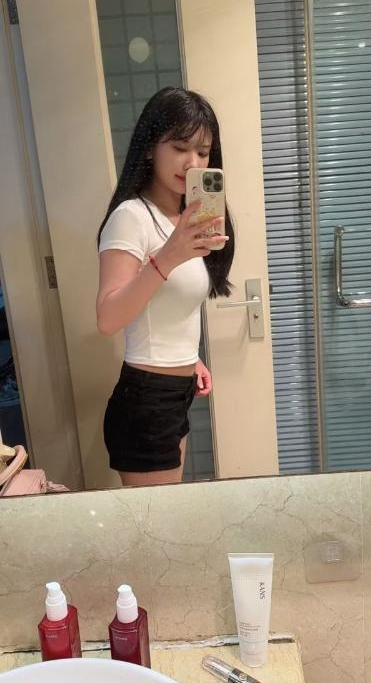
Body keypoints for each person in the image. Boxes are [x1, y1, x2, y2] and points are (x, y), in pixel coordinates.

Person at [96, 87, 235, 487]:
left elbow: (167, 307)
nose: (193, 163)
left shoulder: (182, 217)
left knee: (166, 513)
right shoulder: (131, 217)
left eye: (203, 152)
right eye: (179, 147)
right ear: (148, 148)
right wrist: (167, 257)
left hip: (175, 392)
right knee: (160, 522)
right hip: (147, 401)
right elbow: (108, 318)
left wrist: (191, 360)